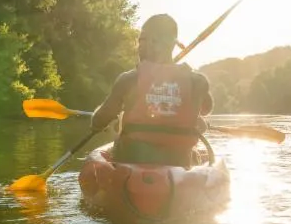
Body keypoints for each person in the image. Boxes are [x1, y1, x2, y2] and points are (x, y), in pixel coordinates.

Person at [90, 14, 213, 167]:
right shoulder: (197, 82)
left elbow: (98, 121)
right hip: (179, 163)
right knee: (198, 136)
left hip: (131, 162)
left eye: (141, 40)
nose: (138, 46)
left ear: (154, 42)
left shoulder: (128, 80)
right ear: (173, 45)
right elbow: (206, 110)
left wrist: (112, 117)